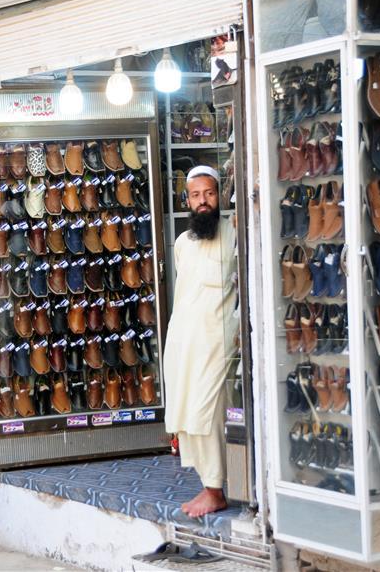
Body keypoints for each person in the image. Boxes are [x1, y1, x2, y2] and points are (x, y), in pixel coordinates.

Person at [163, 165, 237, 518]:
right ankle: (208, 485)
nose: (203, 201)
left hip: (218, 338)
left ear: (219, 195)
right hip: (184, 341)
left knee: (206, 413)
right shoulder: (182, 243)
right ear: (188, 200)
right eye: (196, 195)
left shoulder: (235, 233)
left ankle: (216, 490)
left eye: (208, 193)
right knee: (188, 415)